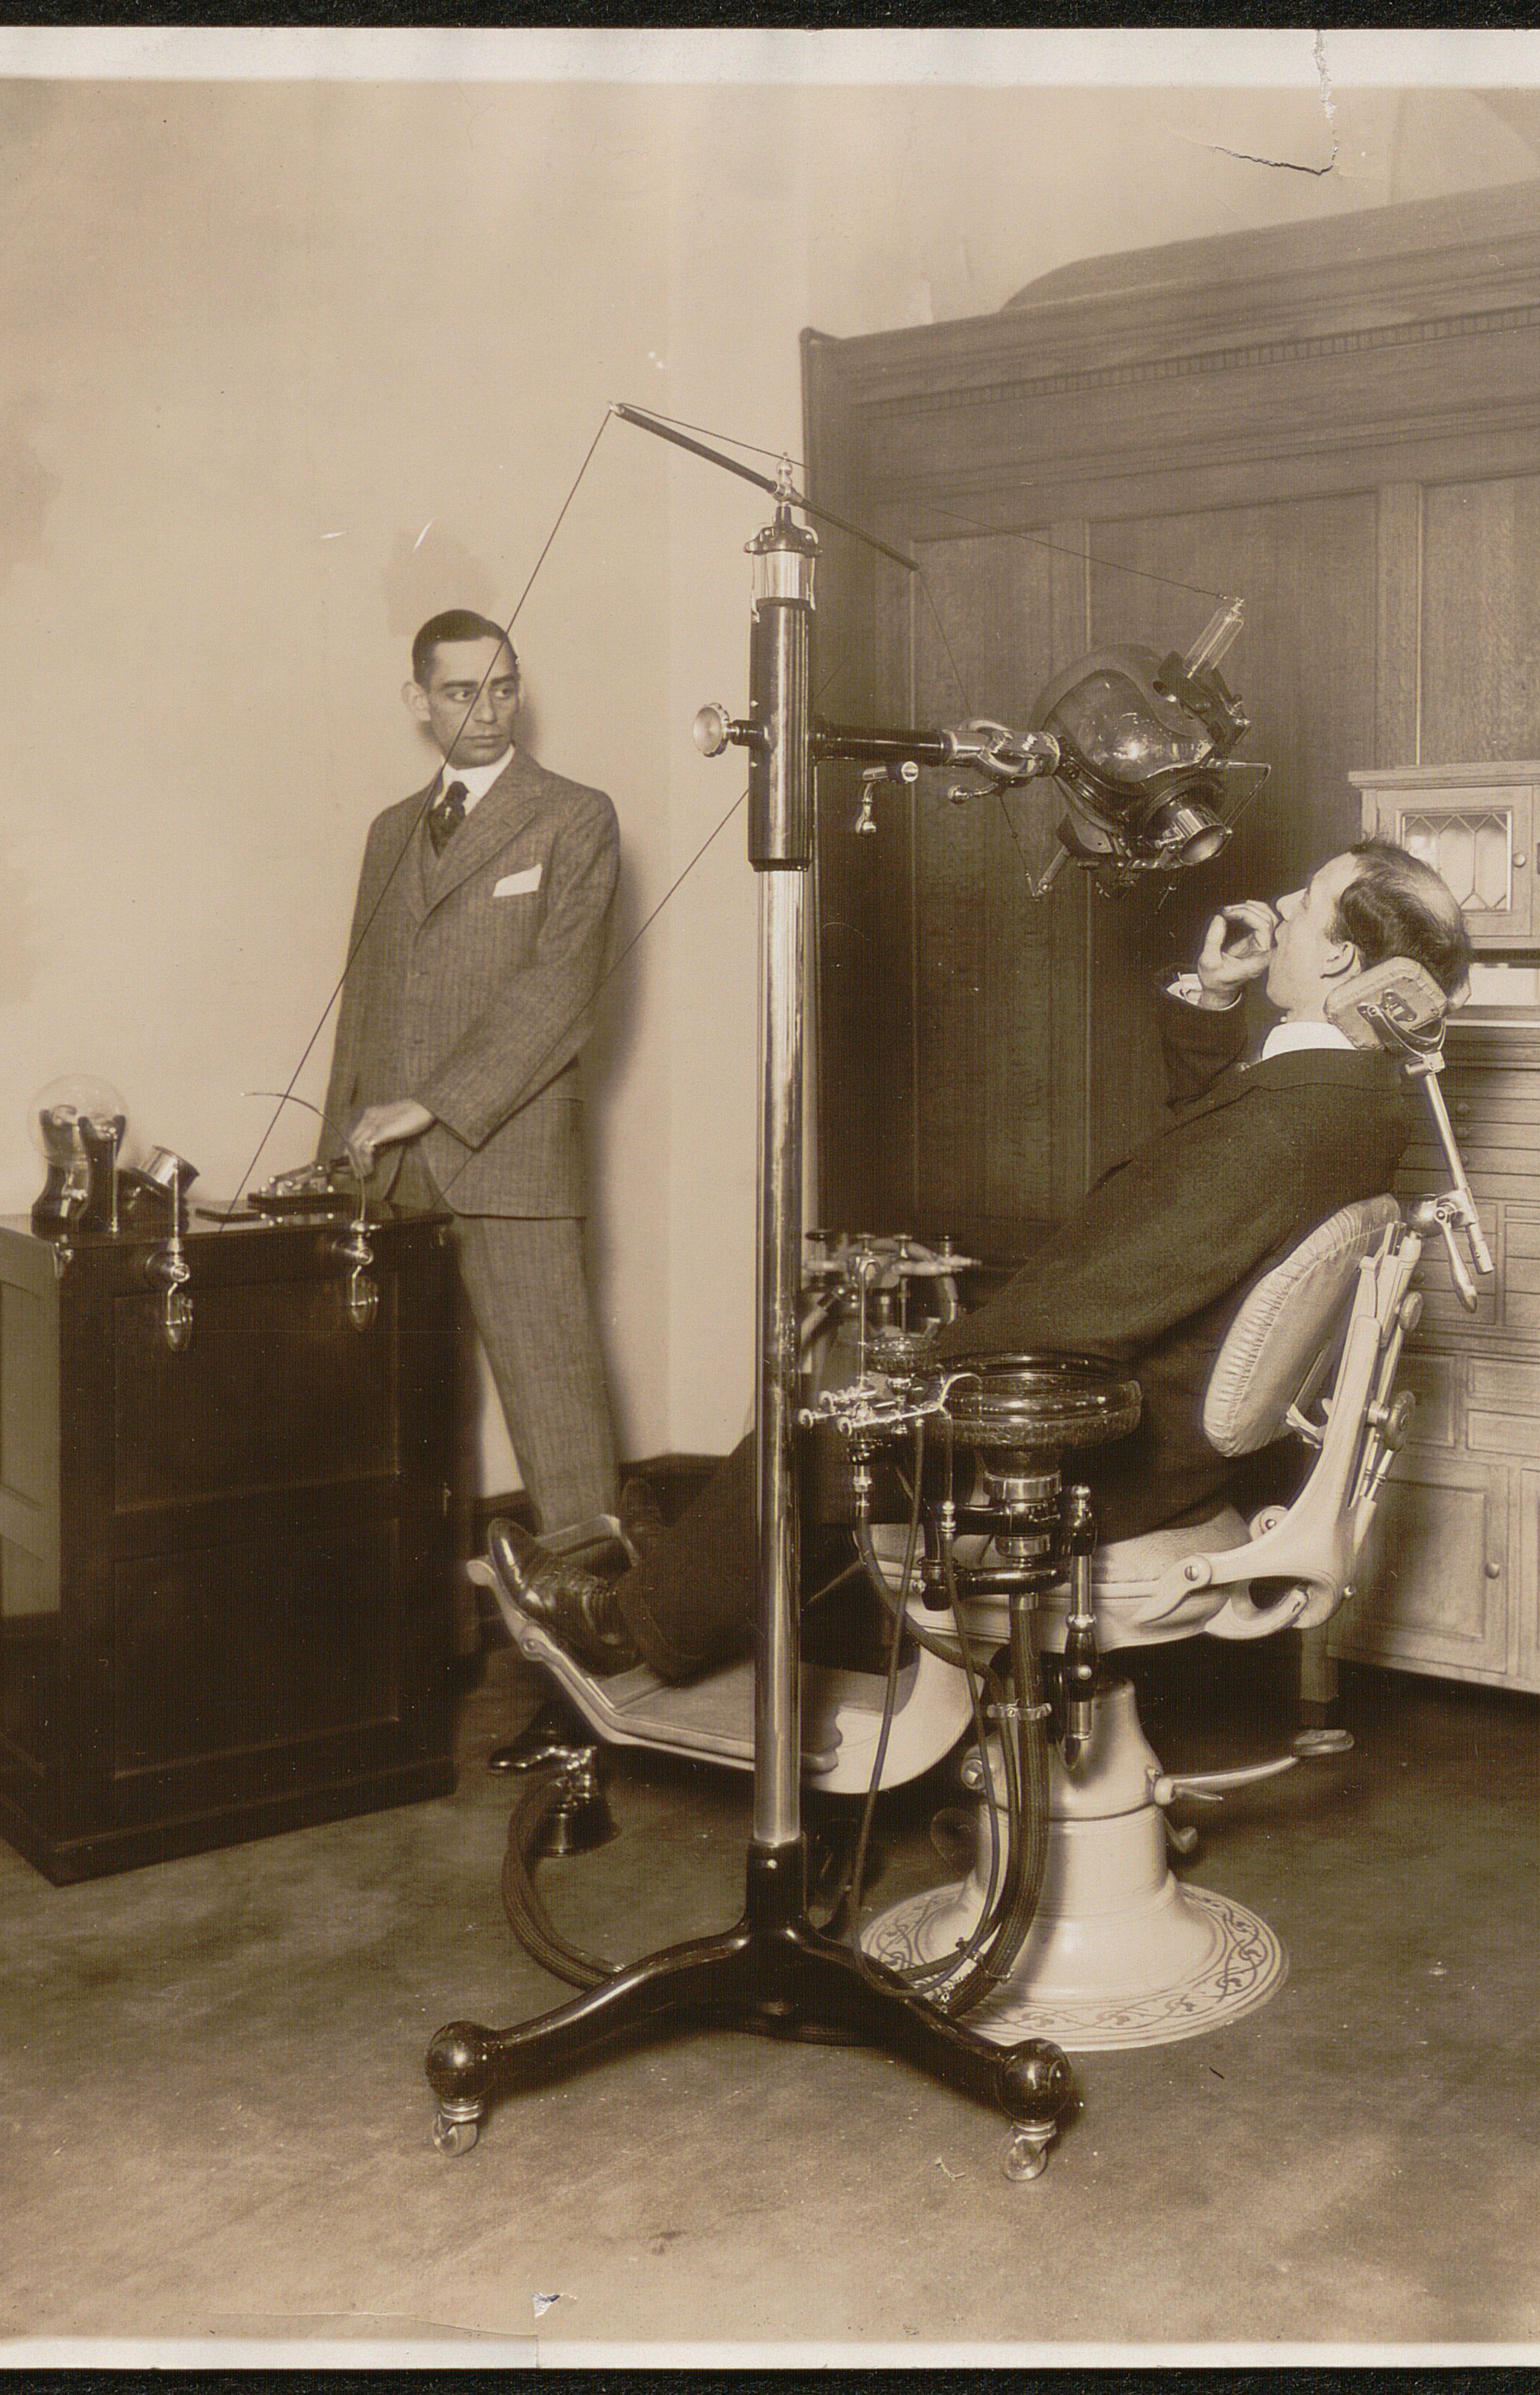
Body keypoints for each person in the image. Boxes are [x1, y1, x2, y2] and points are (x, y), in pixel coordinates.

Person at [486, 838, 1471, 1688]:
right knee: (840, 1425)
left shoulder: (1293, 1122)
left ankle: (631, 1628)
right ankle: (688, 1568)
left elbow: (1105, 1301)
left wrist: (929, 1357)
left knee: (817, 1429)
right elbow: (1222, 1137)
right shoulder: (1355, 1099)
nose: (1280, 915)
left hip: (1111, 1443)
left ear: (1340, 956)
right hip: (1186, 1440)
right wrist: (1210, 995)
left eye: (1301, 911)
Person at [322, 608, 624, 1769]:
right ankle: (416, 1673)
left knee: (561, 1434)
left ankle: (593, 1698)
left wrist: (435, 1104)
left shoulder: (574, 817)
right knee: (407, 1430)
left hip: (510, 1160)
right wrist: (342, 1139)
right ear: (418, 702)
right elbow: (366, 999)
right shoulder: (392, 829)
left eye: (502, 689)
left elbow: (560, 996)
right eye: (458, 692)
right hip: (391, 1170)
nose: (485, 709)